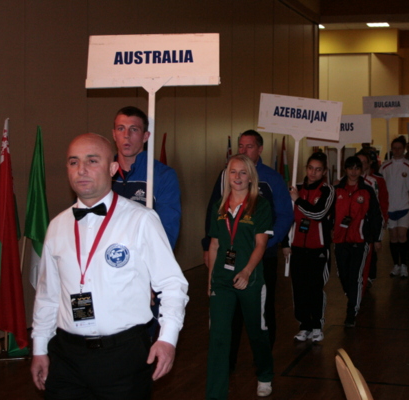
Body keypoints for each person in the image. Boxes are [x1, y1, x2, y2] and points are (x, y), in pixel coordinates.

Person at [31, 133, 189, 399]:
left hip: (124, 356)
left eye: (92, 161)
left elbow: (172, 284)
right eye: (73, 162)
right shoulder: (57, 226)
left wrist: (167, 338)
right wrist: (39, 348)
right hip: (66, 357)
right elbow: (48, 295)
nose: (81, 170)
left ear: (113, 168)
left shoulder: (141, 220)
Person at [202, 130, 293, 363]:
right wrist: (208, 246)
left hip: (263, 255)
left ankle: (263, 362)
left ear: (260, 149)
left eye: (249, 146)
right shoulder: (226, 176)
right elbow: (214, 210)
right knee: (229, 313)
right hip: (229, 255)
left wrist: (266, 242)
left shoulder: (272, 178)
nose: (244, 150)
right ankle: (228, 362)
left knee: (262, 311)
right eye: (241, 146)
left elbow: (285, 215)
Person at [206, 154, 274, 399]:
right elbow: (214, 245)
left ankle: (265, 374)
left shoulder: (260, 205)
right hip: (222, 281)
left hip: (250, 280)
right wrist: (210, 280)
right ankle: (215, 394)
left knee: (256, 331)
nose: (237, 177)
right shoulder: (219, 206)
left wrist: (246, 271)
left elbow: (261, 245)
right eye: (233, 172)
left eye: (243, 172)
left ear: (251, 177)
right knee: (218, 337)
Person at [111, 106, 181, 248]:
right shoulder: (100, 174)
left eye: (134, 129)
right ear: (114, 134)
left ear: (145, 136)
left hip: (143, 257)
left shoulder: (162, 176)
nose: (126, 135)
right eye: (121, 128)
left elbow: (166, 234)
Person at [283, 152, 334, 342]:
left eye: (318, 169)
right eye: (311, 168)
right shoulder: (295, 189)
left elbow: (318, 214)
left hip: (318, 249)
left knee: (315, 288)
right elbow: (287, 218)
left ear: (324, 171)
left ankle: (317, 325)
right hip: (297, 248)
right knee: (299, 288)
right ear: (306, 168)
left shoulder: (327, 191)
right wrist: (285, 243)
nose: (313, 173)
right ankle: (304, 325)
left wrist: (298, 200)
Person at [333, 156, 382, 327]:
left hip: (360, 240)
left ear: (361, 170)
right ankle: (353, 297)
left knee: (355, 276)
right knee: (343, 274)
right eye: (350, 168)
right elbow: (328, 214)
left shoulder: (367, 191)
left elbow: (376, 215)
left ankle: (351, 313)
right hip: (340, 239)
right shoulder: (336, 190)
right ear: (345, 170)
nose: (353, 172)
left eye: (357, 168)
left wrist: (376, 238)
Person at [379, 136, 409, 278]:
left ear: (404, 149)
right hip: (389, 208)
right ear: (391, 149)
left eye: (399, 148)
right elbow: (379, 189)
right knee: (393, 237)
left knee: (402, 235)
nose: (397, 151)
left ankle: (404, 265)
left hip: (405, 207)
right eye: (394, 148)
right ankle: (396, 265)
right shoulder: (384, 167)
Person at [356, 150, 388, 287]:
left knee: (370, 251)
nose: (360, 165)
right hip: (353, 225)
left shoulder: (373, 181)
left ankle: (368, 276)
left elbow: (380, 202)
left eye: (363, 162)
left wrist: (383, 218)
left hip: (368, 223)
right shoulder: (344, 181)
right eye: (358, 162)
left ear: (368, 164)